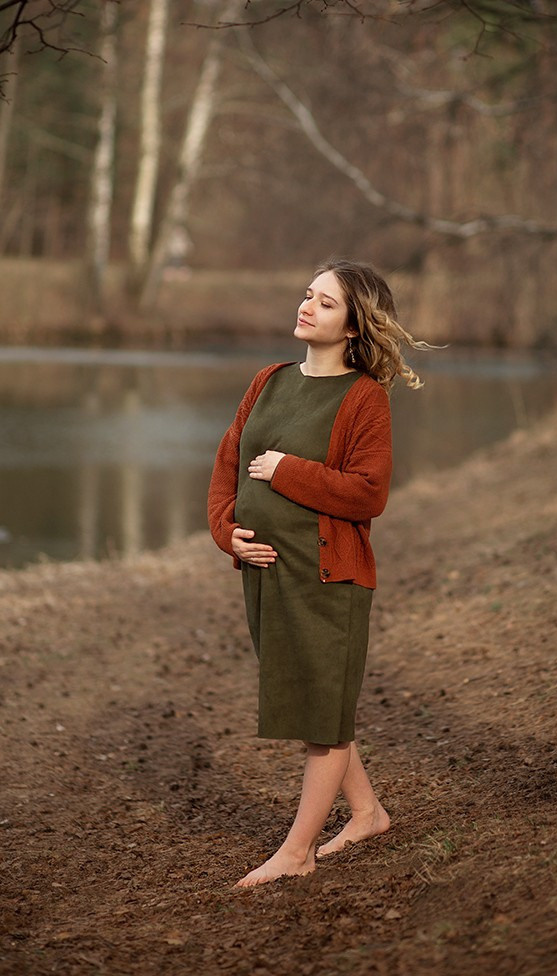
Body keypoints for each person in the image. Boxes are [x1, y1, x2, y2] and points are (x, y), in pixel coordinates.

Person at [207, 259, 426, 888]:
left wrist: (285, 472)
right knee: (314, 701)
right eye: (307, 295)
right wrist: (230, 536)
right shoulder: (269, 380)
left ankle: (297, 851)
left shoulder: (364, 398)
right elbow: (227, 463)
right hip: (266, 573)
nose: (307, 307)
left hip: (329, 577)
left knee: (322, 711)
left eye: (326, 303)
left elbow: (368, 495)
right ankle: (366, 812)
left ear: (355, 325)